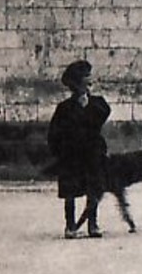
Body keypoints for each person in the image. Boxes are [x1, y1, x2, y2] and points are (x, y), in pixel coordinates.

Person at [47, 59, 111, 239]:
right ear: (77, 83)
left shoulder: (97, 103)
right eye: (86, 77)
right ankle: (70, 225)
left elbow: (101, 116)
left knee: (93, 189)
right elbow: (54, 133)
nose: (90, 80)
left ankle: (93, 223)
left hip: (92, 154)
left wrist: (87, 104)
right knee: (70, 192)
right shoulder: (64, 108)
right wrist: (60, 153)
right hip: (72, 156)